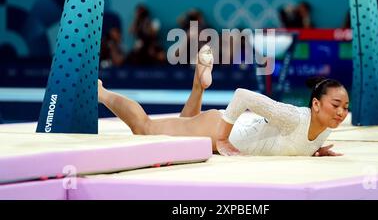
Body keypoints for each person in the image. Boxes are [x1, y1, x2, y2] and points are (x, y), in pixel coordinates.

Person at [98, 45, 349, 157]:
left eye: (345, 107)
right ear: (315, 104)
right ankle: (100, 92)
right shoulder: (293, 117)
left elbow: (290, 142)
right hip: (215, 131)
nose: (341, 112)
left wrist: (313, 150)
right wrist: (222, 137)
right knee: (144, 129)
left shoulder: (323, 129)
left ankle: (199, 84)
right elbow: (243, 95)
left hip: (215, 128)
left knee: (183, 124)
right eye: (336, 105)